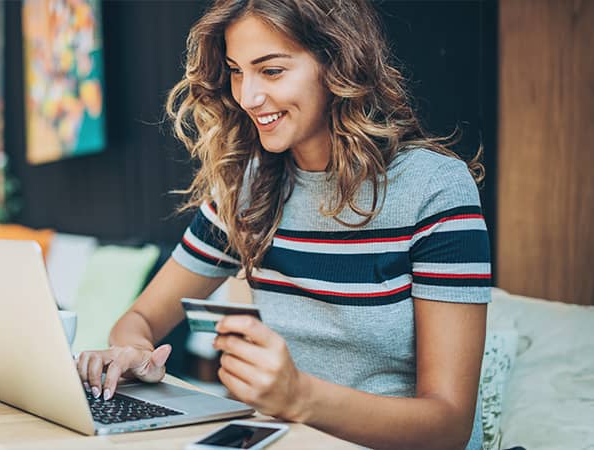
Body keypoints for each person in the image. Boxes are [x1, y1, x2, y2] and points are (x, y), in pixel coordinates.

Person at [75, 1, 491, 448]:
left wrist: (300, 396)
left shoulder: (433, 188)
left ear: (337, 63)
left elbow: (449, 426)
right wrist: (136, 352)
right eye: (236, 71)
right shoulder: (247, 190)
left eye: (270, 71)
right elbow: (138, 318)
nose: (248, 97)